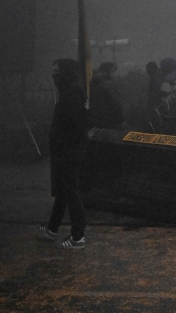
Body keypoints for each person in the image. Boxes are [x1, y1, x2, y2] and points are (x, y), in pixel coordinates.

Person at [39, 59, 90, 249]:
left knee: (70, 191)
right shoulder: (73, 90)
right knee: (63, 190)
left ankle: (78, 237)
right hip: (69, 148)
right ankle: (52, 228)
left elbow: (69, 124)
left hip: (68, 149)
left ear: (66, 72)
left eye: (57, 71)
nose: (54, 75)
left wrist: (59, 142)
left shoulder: (71, 93)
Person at [88, 61, 124, 129]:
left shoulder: (94, 81)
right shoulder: (106, 84)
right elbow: (114, 102)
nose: (113, 74)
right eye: (113, 71)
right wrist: (120, 119)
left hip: (98, 118)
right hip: (107, 118)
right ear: (108, 71)